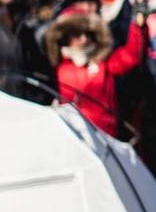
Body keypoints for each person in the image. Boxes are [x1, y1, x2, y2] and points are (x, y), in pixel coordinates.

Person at [44, 8, 146, 139]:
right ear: (65, 37)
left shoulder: (104, 62)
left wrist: (138, 27)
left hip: (106, 134)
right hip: (76, 135)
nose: (84, 39)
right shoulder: (59, 67)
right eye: (76, 34)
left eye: (88, 34)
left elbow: (131, 55)